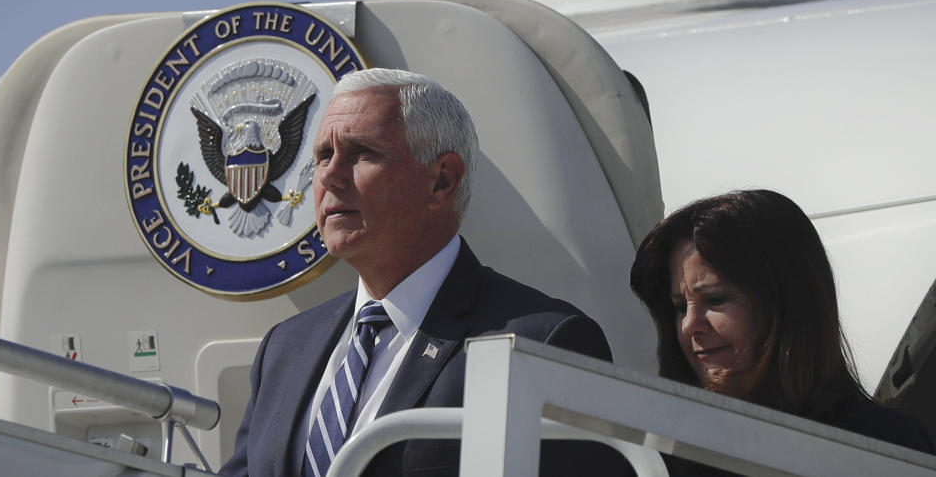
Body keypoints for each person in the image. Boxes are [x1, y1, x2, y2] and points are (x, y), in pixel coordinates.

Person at [221, 68, 628, 477]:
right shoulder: (285, 347)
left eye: (361, 152)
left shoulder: (544, 344)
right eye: (323, 155)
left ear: (442, 180)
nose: (329, 175)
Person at [630, 189, 933, 475]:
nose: (688, 324)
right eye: (681, 306)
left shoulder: (887, 446)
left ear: (786, 303)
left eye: (716, 299)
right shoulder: (656, 447)